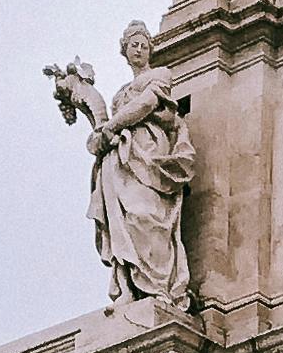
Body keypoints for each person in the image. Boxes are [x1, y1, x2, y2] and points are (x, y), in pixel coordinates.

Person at [47, 23, 197, 312]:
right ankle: (130, 287)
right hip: (121, 161)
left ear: (150, 49)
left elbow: (145, 104)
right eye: (133, 45)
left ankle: (160, 288)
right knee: (123, 221)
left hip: (149, 155)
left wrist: (112, 126)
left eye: (143, 44)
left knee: (145, 216)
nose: (139, 49)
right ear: (125, 51)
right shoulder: (119, 93)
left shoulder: (160, 75)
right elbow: (106, 119)